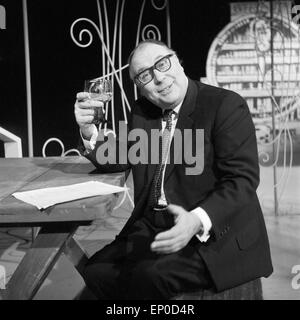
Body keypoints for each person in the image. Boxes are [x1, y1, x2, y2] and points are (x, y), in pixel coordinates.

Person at [74, 39, 273, 300]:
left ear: (178, 61)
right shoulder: (142, 113)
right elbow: (120, 156)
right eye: (145, 75)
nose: (159, 77)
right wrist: (89, 131)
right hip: (155, 225)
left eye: (162, 63)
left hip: (212, 232)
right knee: (96, 270)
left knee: (148, 276)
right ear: (140, 88)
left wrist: (197, 220)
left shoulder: (224, 105)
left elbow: (242, 180)